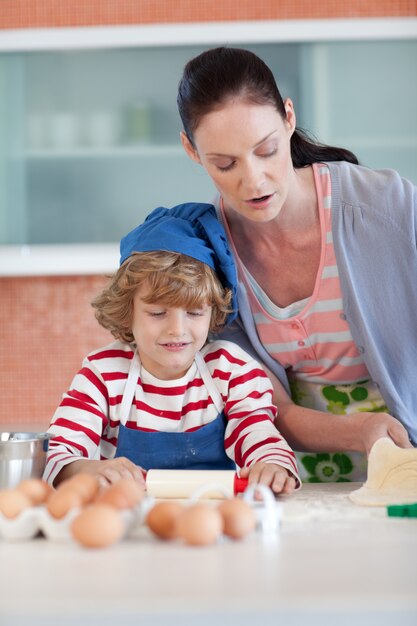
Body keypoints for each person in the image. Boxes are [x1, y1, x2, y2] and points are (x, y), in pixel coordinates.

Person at [176, 46, 416, 483]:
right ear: (191, 151)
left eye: (266, 150)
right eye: (224, 164)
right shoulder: (209, 254)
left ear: (289, 117)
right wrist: (360, 430)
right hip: (297, 481)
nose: (253, 180)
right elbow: (264, 407)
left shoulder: (388, 208)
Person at [44, 202, 300, 494]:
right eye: (157, 313)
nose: (177, 330)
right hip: (129, 520)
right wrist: (85, 469)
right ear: (128, 311)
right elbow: (58, 452)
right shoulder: (103, 374)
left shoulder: (230, 370)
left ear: (213, 312)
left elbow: (257, 432)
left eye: (194, 313)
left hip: (213, 517)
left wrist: (271, 465)